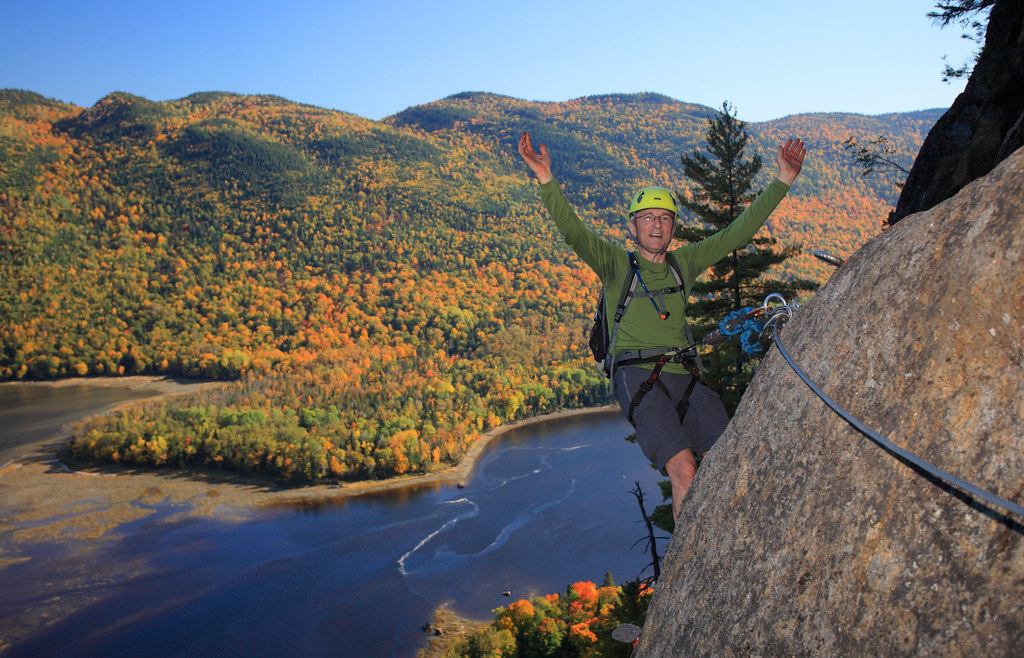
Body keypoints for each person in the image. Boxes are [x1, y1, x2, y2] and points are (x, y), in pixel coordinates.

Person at [518, 131, 806, 522]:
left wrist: (784, 178)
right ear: (633, 227)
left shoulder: (683, 263)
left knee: (725, 457)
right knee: (684, 468)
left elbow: (738, 232)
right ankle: (688, 557)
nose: (656, 225)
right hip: (636, 376)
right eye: (648, 218)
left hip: (684, 373)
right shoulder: (615, 265)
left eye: (665, 218)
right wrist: (545, 178)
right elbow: (574, 232)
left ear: (672, 227)